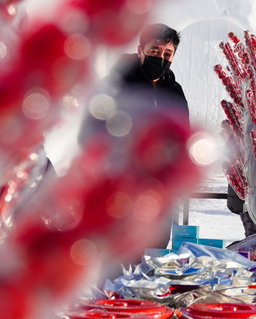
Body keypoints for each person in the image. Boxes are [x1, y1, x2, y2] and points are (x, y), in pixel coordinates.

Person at [79, 23, 190, 247]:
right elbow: (90, 134)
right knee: (116, 259)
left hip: (158, 194)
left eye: (167, 53)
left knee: (154, 255)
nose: (161, 58)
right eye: (154, 51)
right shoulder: (117, 85)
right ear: (141, 50)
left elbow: (183, 136)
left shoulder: (174, 92)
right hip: (119, 191)